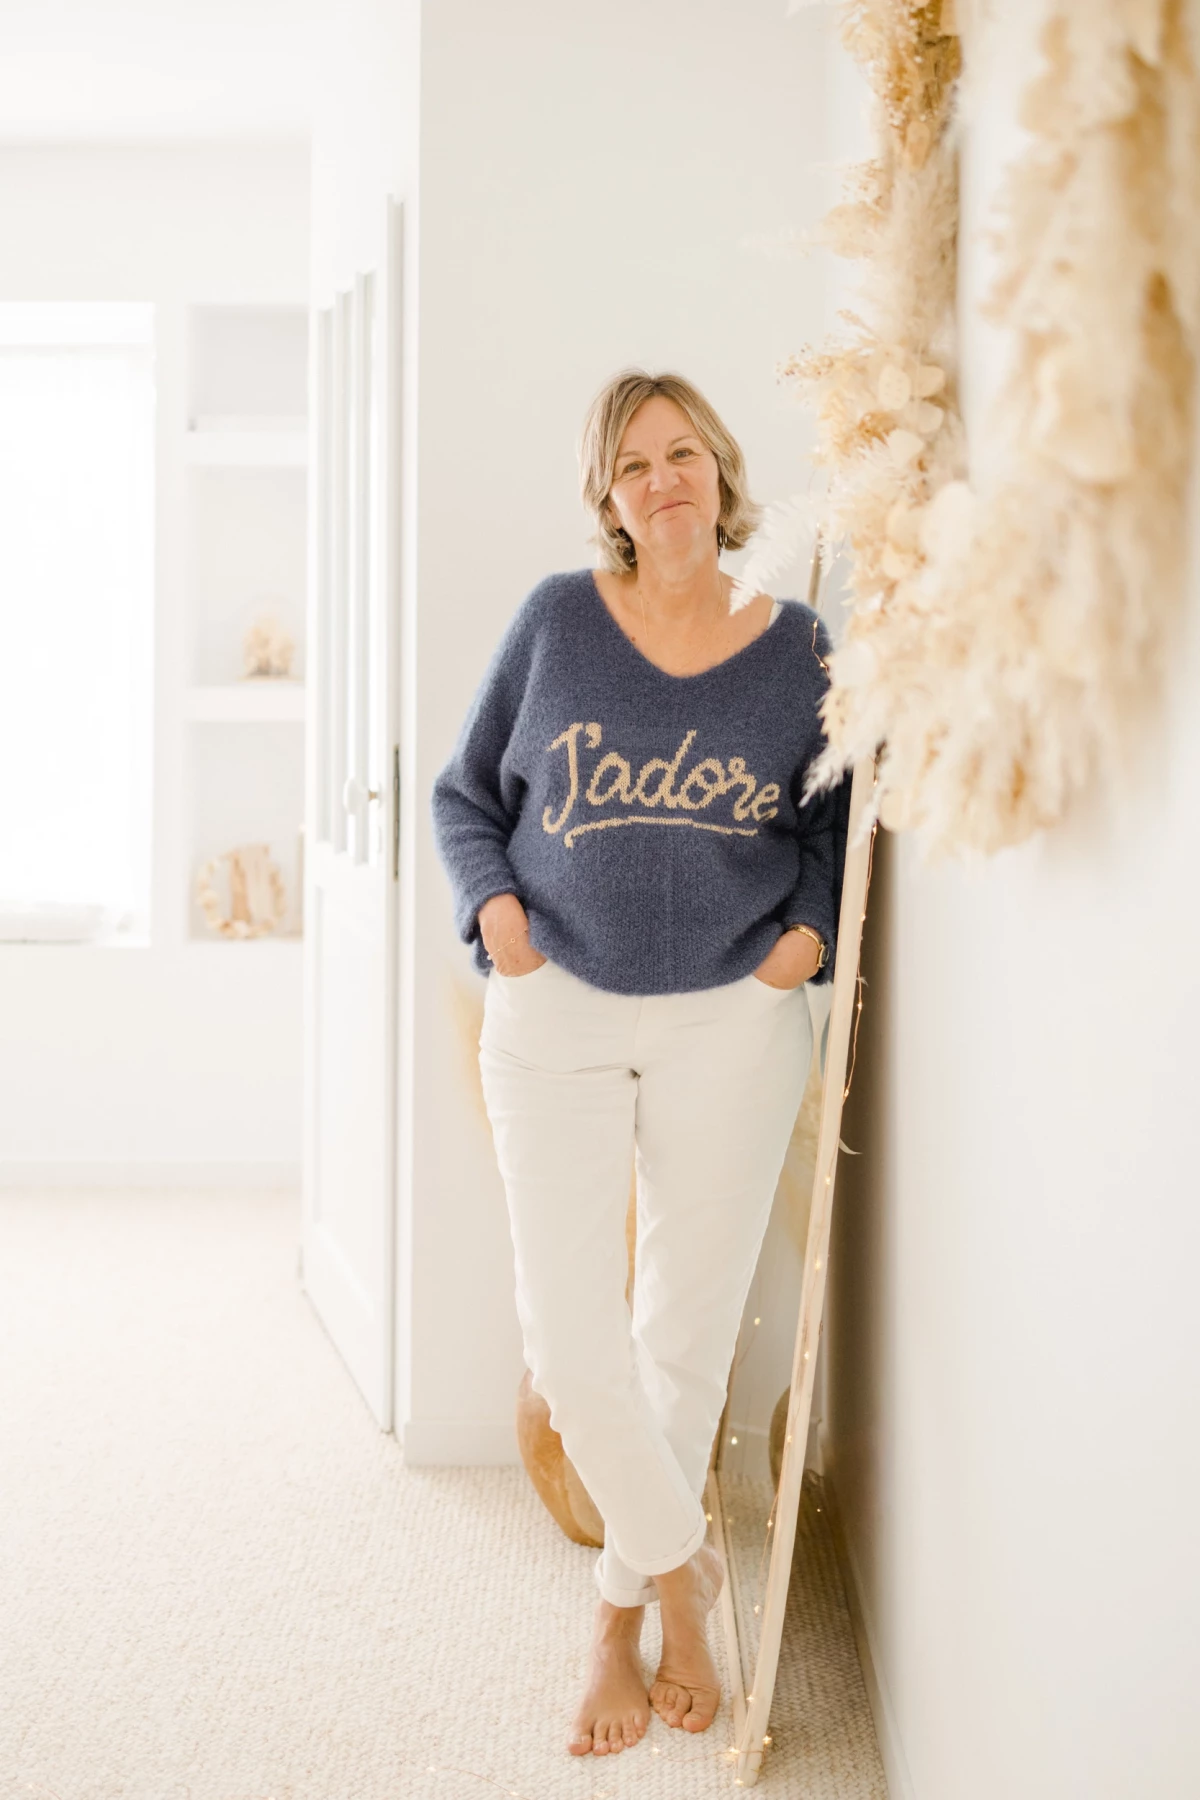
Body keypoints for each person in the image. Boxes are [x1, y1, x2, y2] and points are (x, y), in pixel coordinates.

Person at [431, 368, 851, 1758]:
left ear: (720, 472)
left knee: (682, 1338)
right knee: (570, 1342)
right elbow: (464, 795)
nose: (660, 480)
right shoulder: (559, 620)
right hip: (554, 1010)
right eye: (632, 464)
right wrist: (498, 916)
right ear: (607, 499)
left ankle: (615, 1624)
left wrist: (804, 938)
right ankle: (682, 1580)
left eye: (681, 453)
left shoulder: (797, 648)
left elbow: (834, 824)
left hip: (732, 1020)